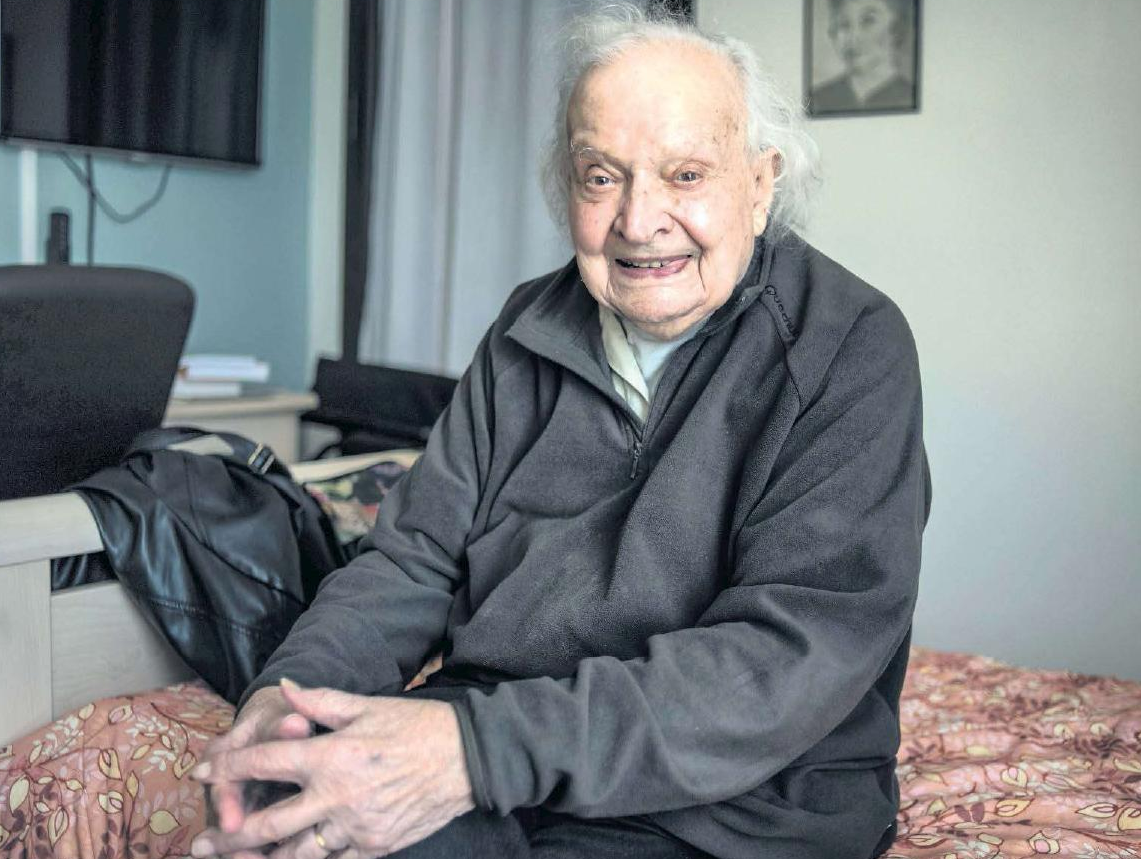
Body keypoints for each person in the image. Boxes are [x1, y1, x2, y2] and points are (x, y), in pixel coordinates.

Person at [190, 5, 930, 858]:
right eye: (600, 176)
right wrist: (286, 700)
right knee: (289, 822)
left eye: (685, 175)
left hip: (734, 801)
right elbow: (412, 560)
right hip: (498, 745)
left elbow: (782, 660)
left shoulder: (850, 344)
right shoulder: (524, 330)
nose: (639, 219)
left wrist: (477, 751)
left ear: (759, 185)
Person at [811, 0, 916, 113]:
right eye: (843, 24)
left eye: (868, 21)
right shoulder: (817, 99)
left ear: (896, 28)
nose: (853, 37)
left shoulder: (909, 95)